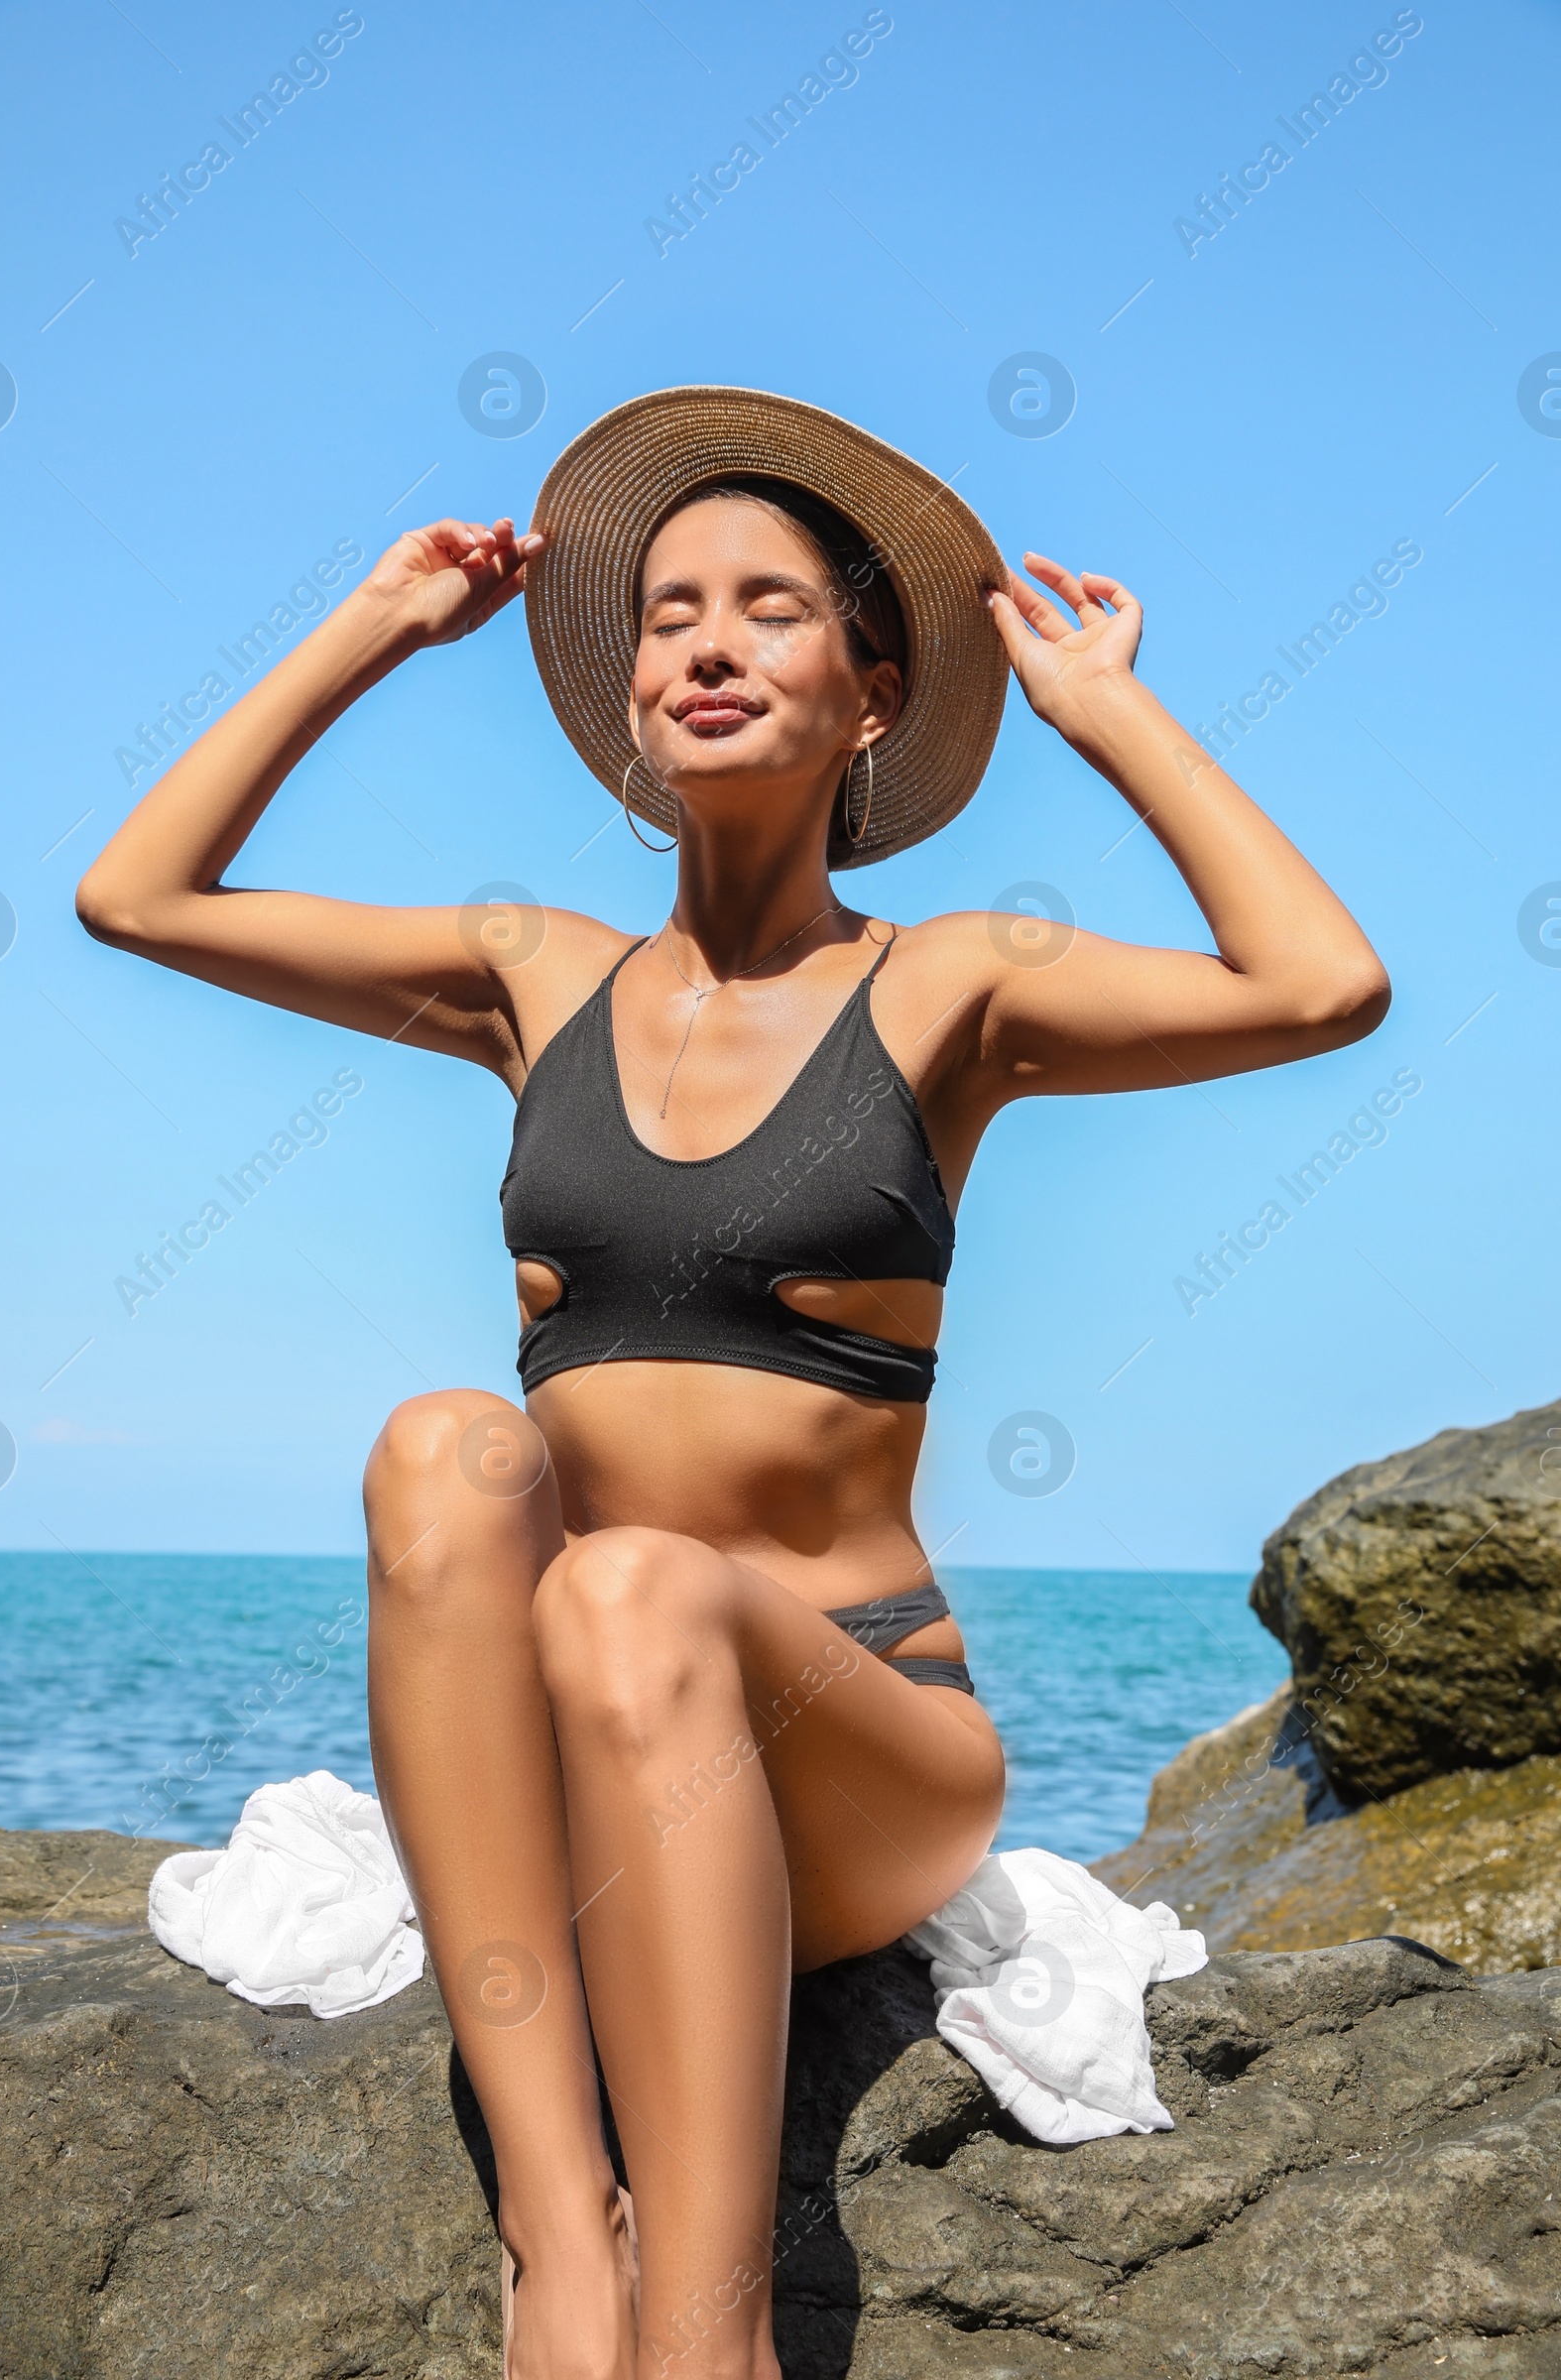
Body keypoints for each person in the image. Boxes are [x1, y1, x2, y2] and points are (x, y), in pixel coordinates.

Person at [76, 387, 1388, 2380]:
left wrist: (1107, 715)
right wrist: (370, 624)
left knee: (626, 1582)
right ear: (624, 710)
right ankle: (557, 2234)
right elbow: (139, 894)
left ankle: (712, 2331)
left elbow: (1316, 982)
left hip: (851, 1732)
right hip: (588, 1732)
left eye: (767, 610)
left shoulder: (951, 982)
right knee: (445, 1448)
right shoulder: (534, 975)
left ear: (870, 697)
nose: (699, 640)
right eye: (666, 615)